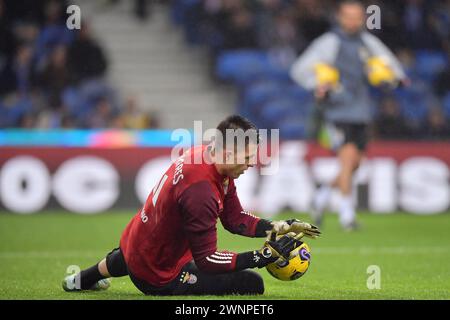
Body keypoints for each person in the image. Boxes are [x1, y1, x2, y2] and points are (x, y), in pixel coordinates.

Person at [62, 115, 320, 295]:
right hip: (159, 275)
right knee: (252, 283)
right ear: (228, 153)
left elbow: (234, 218)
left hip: (135, 242)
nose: (252, 163)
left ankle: (79, 280)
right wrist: (260, 257)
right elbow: (208, 260)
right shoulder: (202, 191)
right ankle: (130, 276)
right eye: (248, 156)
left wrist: (278, 226)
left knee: (141, 252)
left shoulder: (206, 156)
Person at [290, 0, 407, 231]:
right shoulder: (329, 43)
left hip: (361, 111)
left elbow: (389, 63)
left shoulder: (367, 42)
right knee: (348, 157)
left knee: (355, 164)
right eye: (348, 16)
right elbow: (299, 69)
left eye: (357, 16)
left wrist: (397, 78)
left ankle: (320, 198)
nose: (353, 21)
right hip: (336, 110)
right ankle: (347, 215)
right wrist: (318, 84)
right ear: (340, 17)